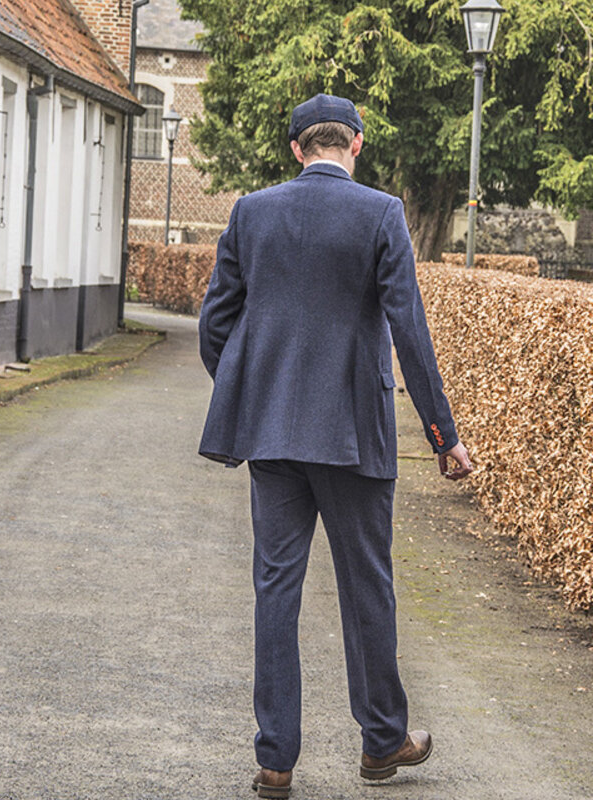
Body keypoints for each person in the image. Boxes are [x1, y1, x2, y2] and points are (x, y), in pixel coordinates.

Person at [198, 93, 473, 799]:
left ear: (296, 149)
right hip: (356, 436)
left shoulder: (250, 212)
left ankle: (275, 761)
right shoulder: (381, 212)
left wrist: (249, 393)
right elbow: (409, 331)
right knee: (366, 589)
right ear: (356, 144)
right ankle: (383, 743)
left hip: (275, 438)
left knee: (275, 592)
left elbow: (216, 322)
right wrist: (444, 435)